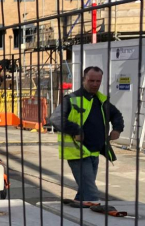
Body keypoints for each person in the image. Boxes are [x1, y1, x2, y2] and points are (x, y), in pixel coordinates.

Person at [51, 66, 125, 207]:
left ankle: (79, 204)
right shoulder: (72, 99)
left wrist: (117, 129)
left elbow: (116, 114)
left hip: (94, 152)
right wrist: (76, 130)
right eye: (91, 81)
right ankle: (95, 214)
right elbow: (56, 119)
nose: (95, 84)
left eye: (98, 81)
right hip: (78, 152)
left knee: (85, 189)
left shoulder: (101, 100)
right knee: (91, 194)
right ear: (84, 80)